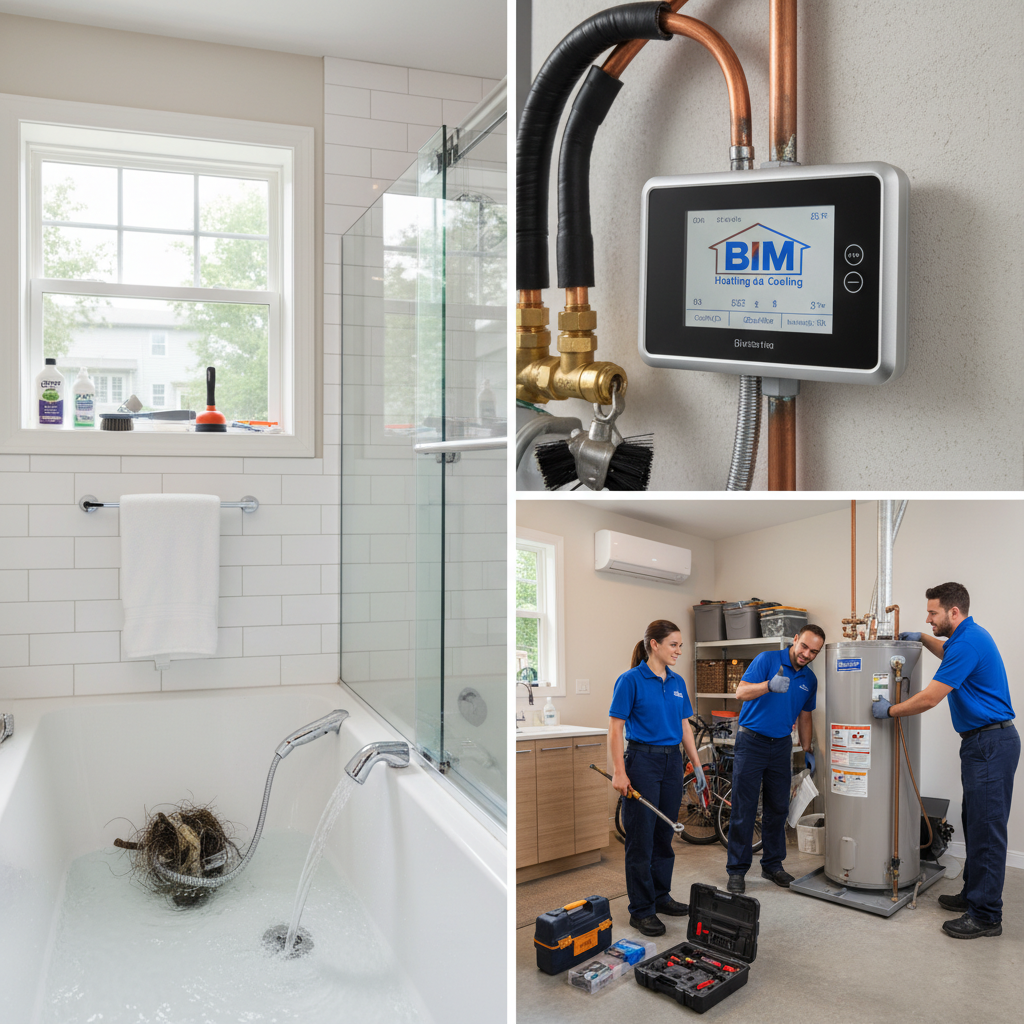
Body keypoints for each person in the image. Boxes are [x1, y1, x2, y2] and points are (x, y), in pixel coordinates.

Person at [872, 582, 1018, 939]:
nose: (928, 617)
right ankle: (973, 895)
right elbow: (947, 652)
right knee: (975, 823)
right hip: (984, 743)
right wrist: (922, 637)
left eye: (933, 613)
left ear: (954, 612)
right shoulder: (966, 638)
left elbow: (930, 698)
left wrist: (889, 710)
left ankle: (986, 916)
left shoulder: (967, 642)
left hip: (989, 744)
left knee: (986, 832)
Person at [609, 620, 705, 937]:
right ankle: (641, 910)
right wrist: (620, 772)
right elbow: (615, 728)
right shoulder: (630, 680)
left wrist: (697, 764)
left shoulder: (677, 682)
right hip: (642, 762)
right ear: (655, 645)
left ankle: (661, 897)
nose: (679, 650)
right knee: (641, 840)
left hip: (671, 762)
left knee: (665, 835)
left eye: (680, 645)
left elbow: (684, 725)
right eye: (673, 644)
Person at [725, 625, 825, 894]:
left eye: (813, 651)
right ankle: (736, 870)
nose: (806, 654)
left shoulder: (809, 679)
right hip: (751, 742)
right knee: (744, 809)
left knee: (778, 808)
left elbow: (805, 715)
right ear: (795, 640)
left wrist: (807, 749)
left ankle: (772, 865)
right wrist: (768, 685)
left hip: (781, 746)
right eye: (804, 646)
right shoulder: (767, 660)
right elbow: (740, 692)